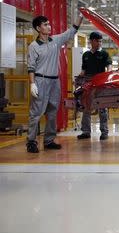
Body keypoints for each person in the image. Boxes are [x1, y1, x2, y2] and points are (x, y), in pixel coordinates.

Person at [26, 14, 83, 153]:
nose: (49, 26)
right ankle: (31, 142)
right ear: (39, 28)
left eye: (49, 24)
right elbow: (31, 67)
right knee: (36, 112)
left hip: (54, 81)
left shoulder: (55, 40)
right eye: (45, 24)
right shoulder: (34, 46)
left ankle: (49, 140)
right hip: (40, 80)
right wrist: (32, 84)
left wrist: (80, 16)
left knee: (52, 112)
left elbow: (71, 31)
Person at [77, 31, 112, 141]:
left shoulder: (104, 54)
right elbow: (83, 70)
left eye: (101, 41)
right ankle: (86, 132)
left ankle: (104, 132)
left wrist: (109, 75)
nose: (99, 43)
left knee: (102, 108)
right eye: (97, 41)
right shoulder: (86, 55)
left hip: (100, 83)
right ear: (91, 41)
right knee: (86, 107)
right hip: (88, 83)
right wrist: (78, 79)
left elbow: (109, 67)